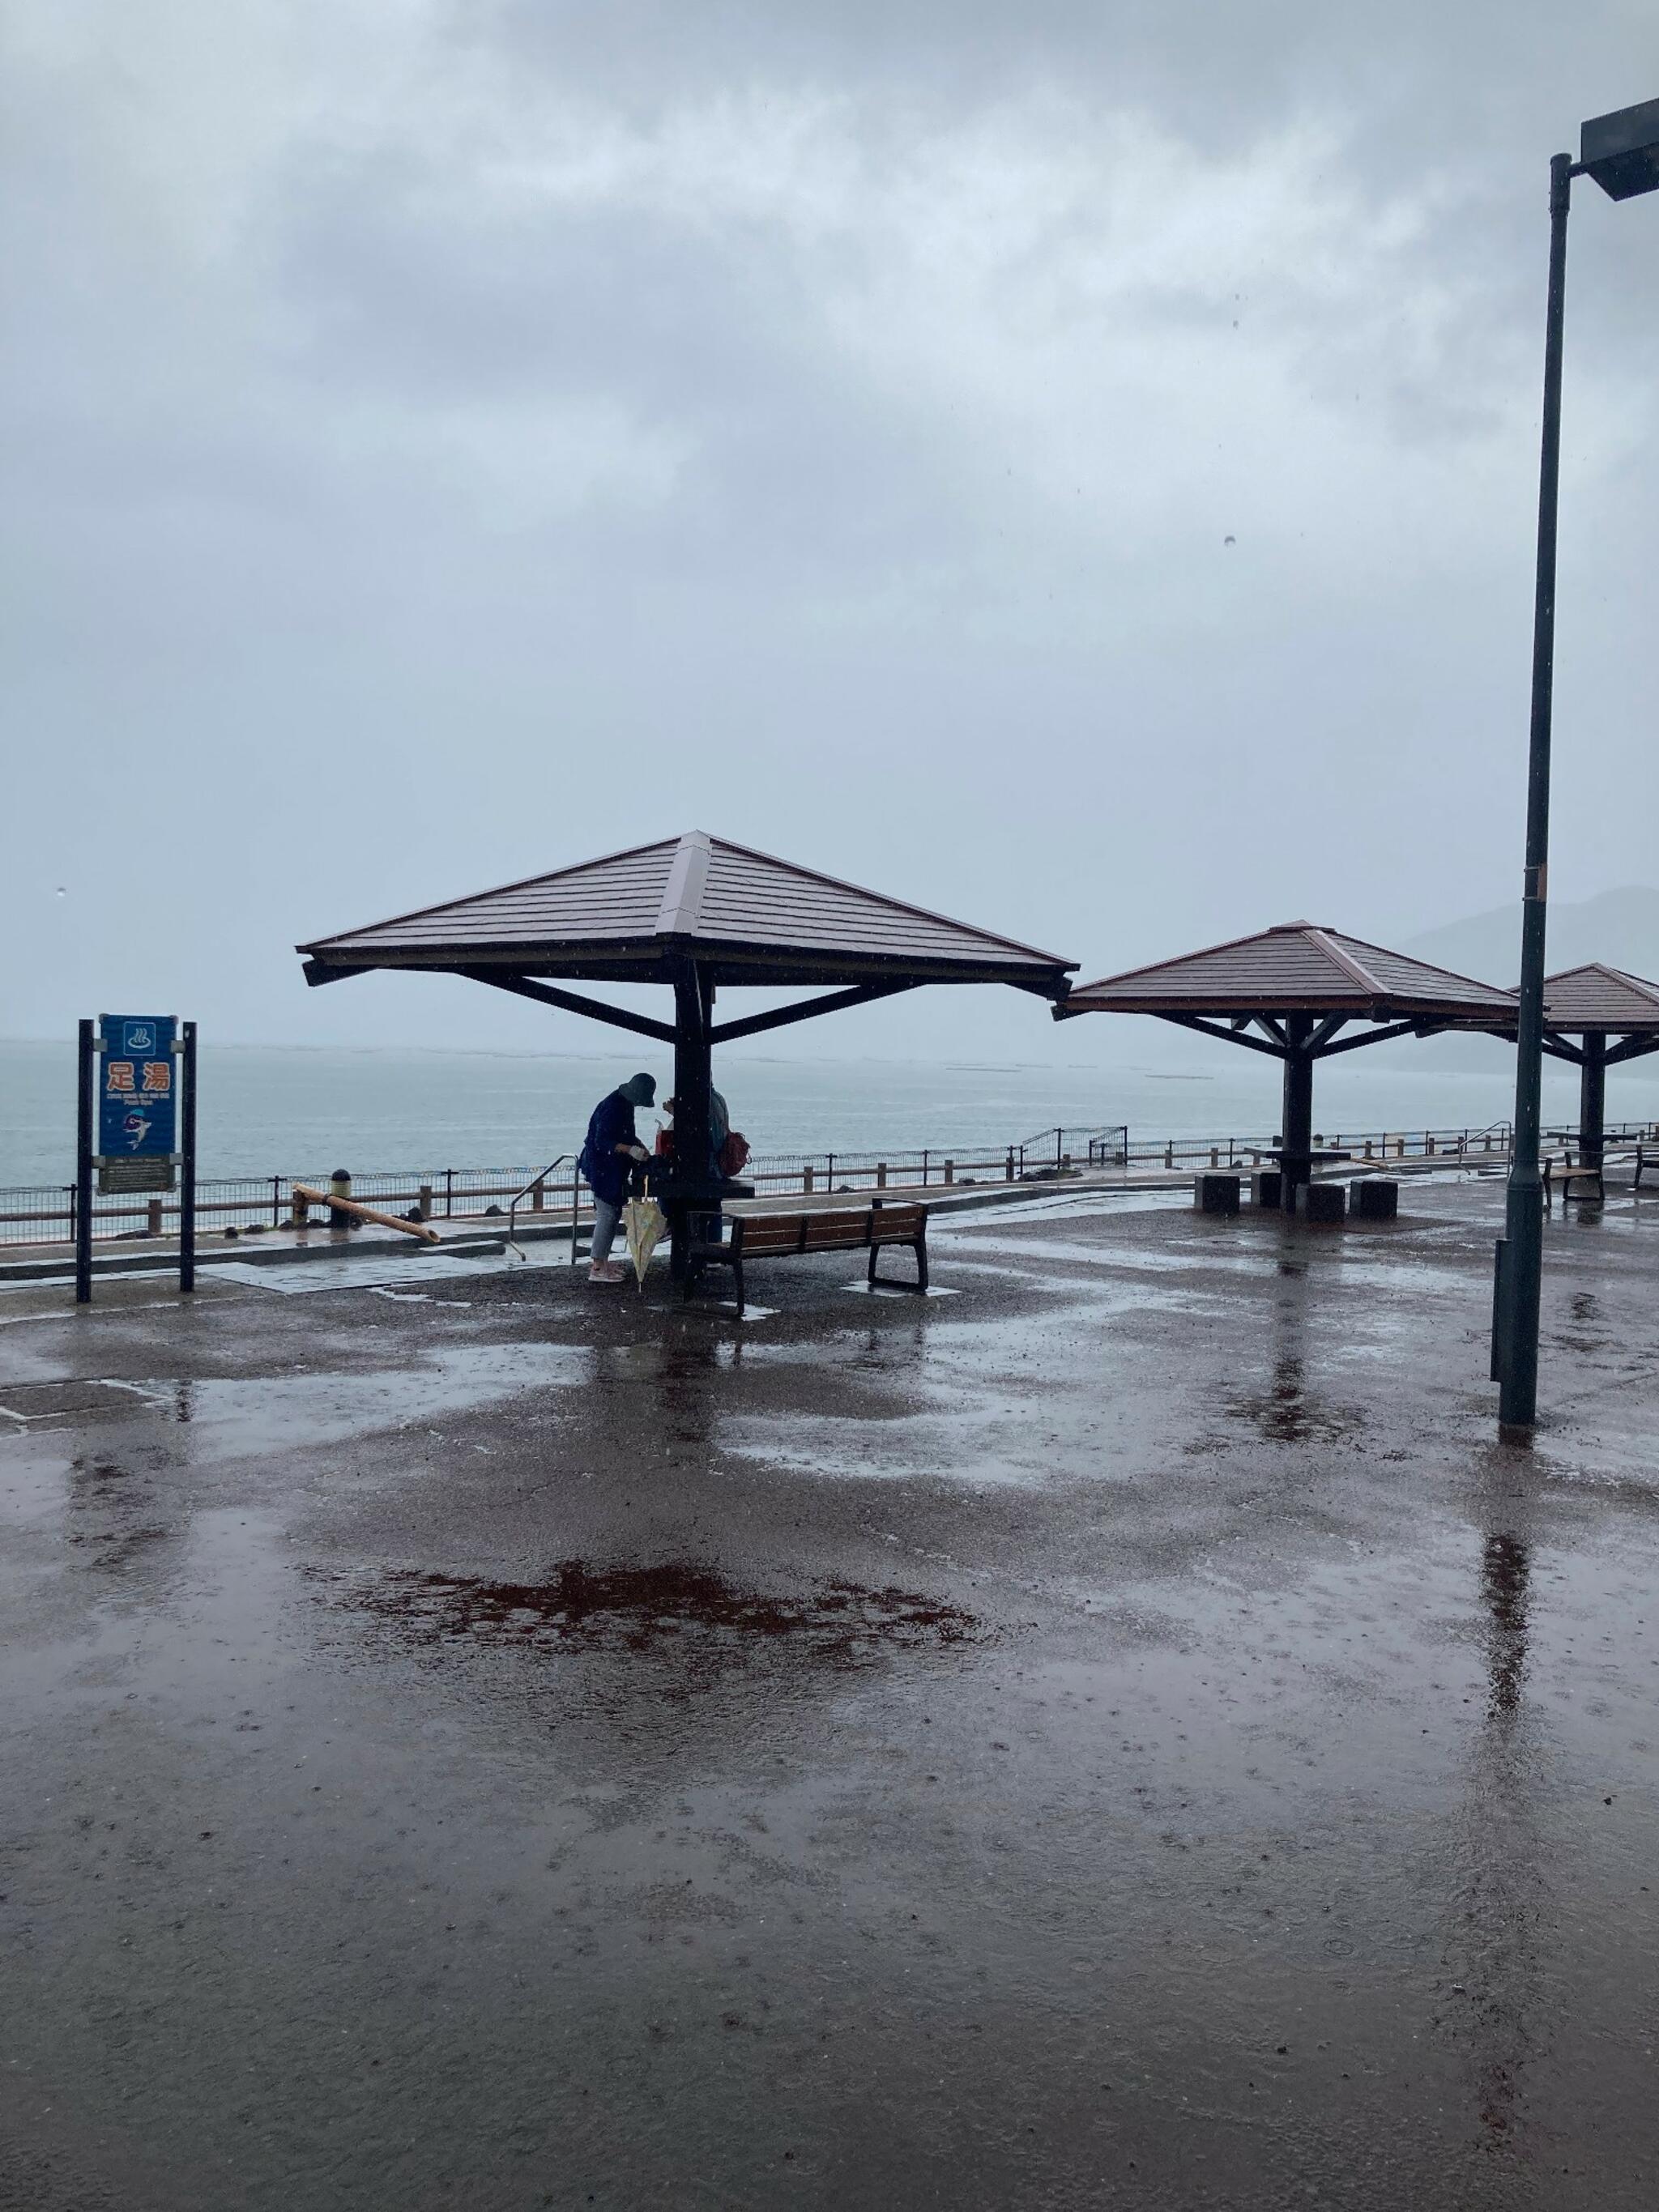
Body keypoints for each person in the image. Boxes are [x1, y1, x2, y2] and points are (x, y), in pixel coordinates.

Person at [578, 1073, 655, 1284]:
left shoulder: (624, 1103)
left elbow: (627, 1134)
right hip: (601, 1168)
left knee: (612, 1212)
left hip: (611, 1169)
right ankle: (597, 1267)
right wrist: (630, 1149)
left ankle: (603, 1261)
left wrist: (638, 1148)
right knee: (607, 1214)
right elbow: (601, 1141)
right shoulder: (613, 1107)